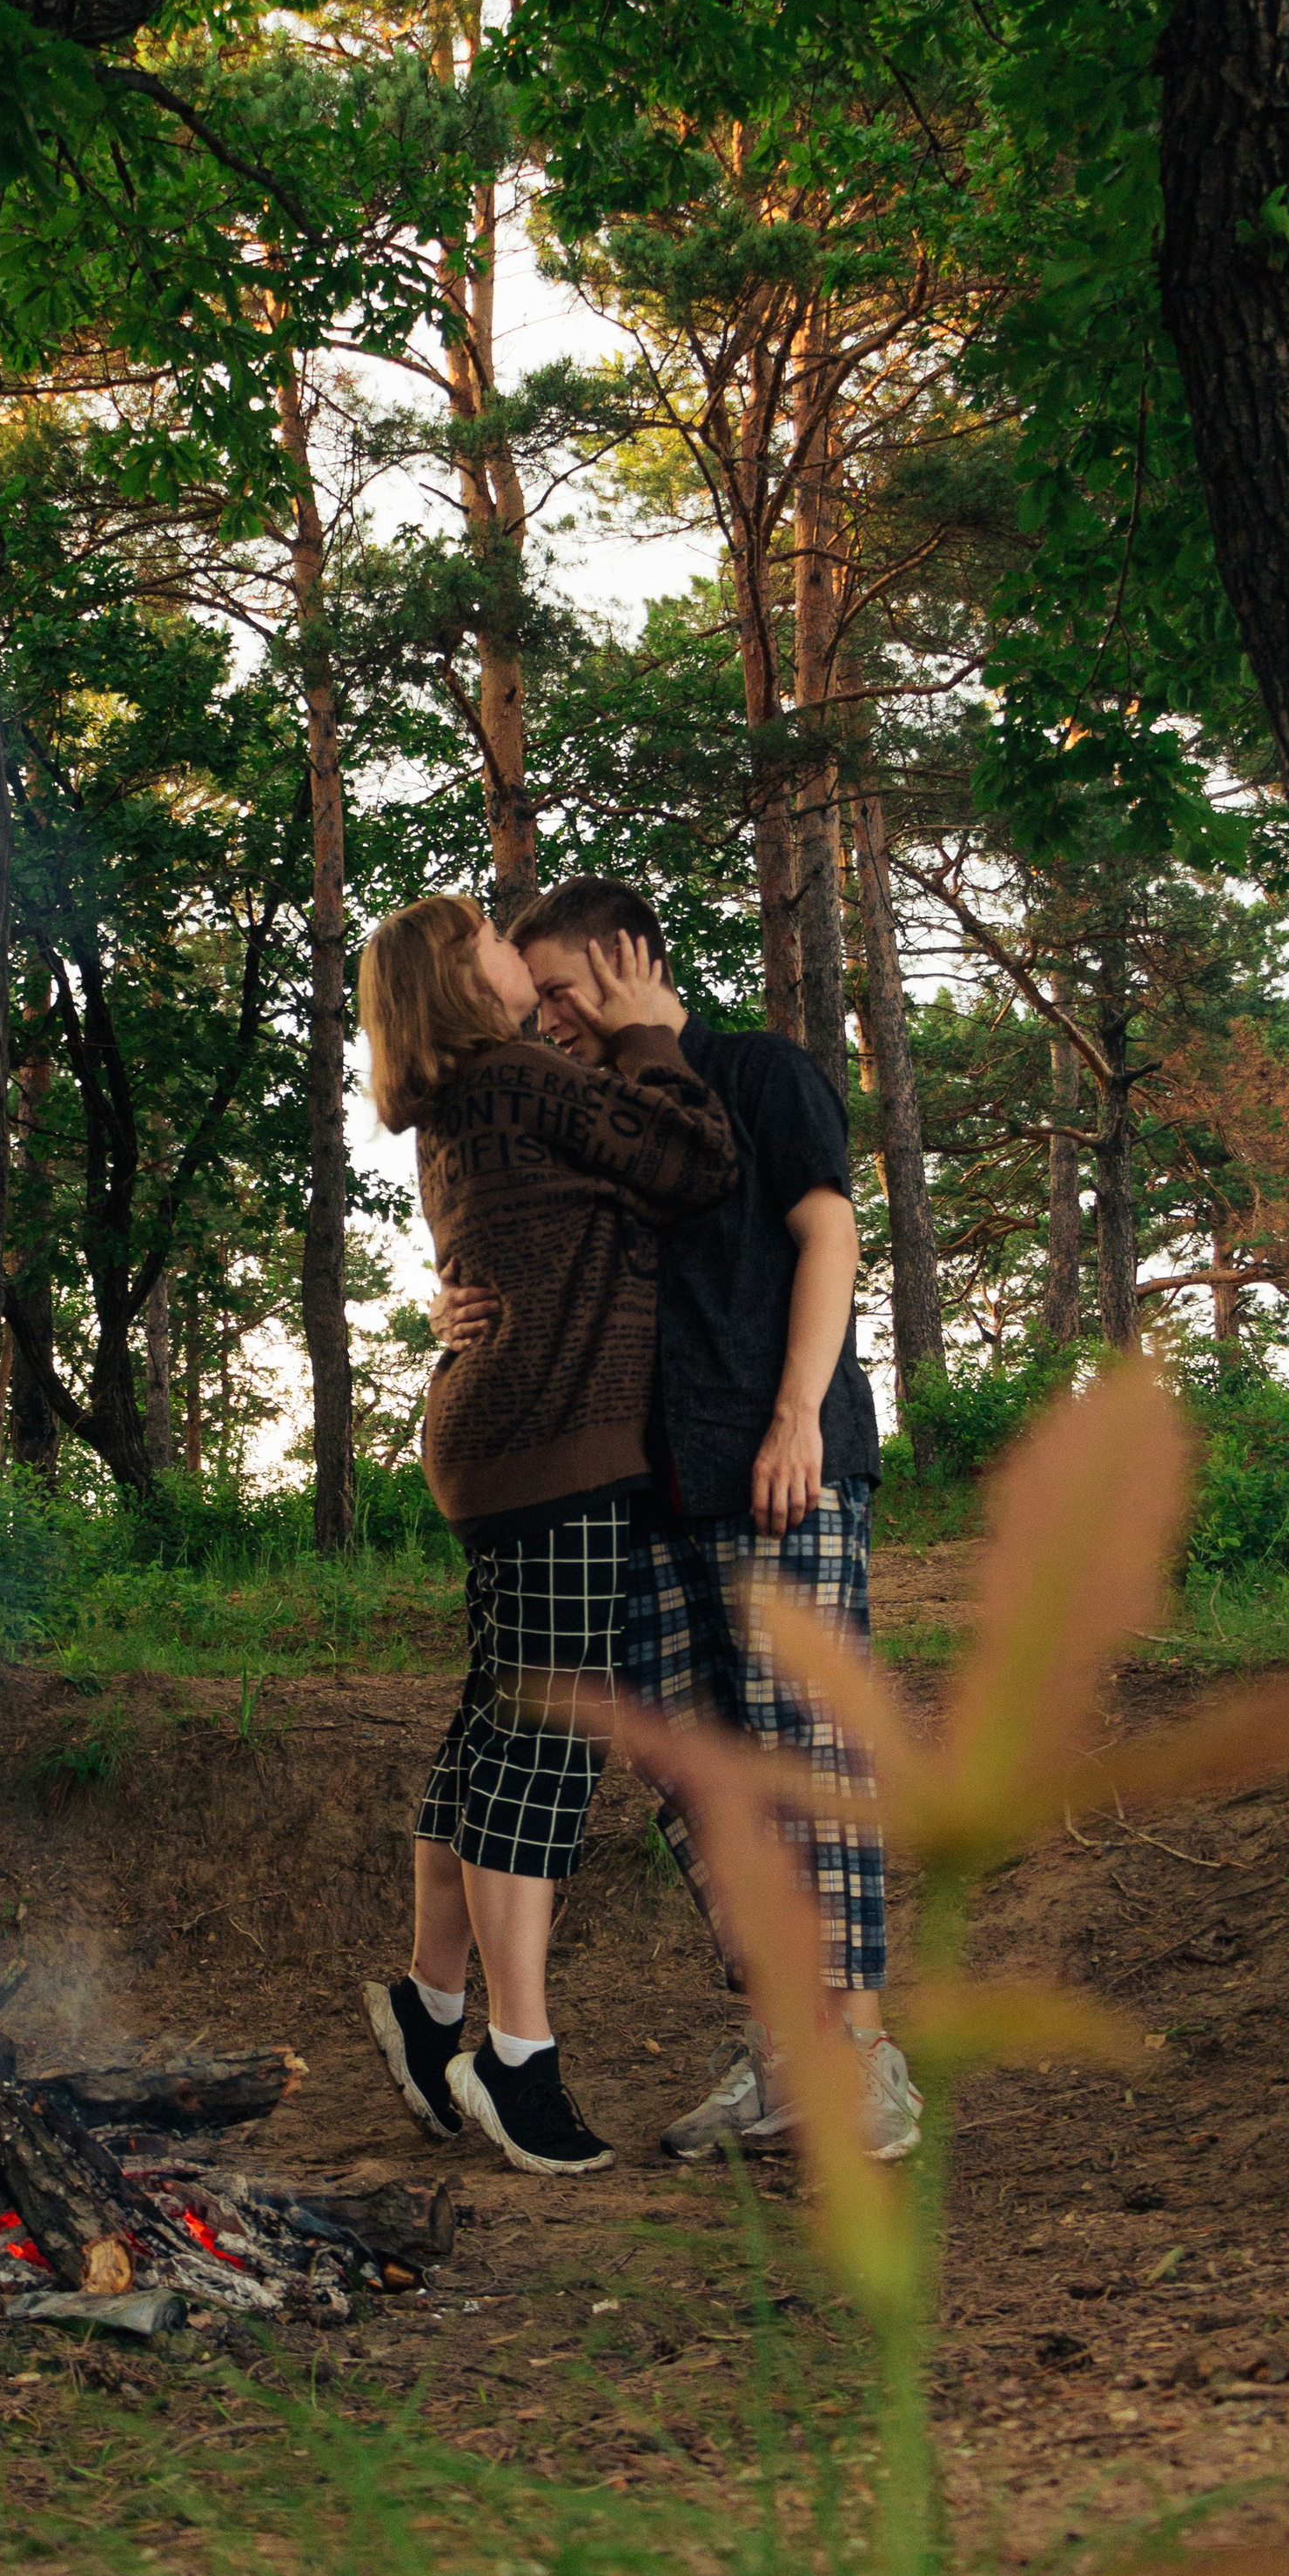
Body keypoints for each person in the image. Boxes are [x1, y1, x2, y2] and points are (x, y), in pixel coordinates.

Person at [433, 875, 922, 2163]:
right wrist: (463, 1312)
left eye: (558, 996)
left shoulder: (762, 1071)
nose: (548, 1024)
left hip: (781, 1464)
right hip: (646, 1493)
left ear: (625, 959)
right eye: (530, 1005)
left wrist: (798, 1413)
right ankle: (782, 2055)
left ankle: (862, 2058)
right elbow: (540, 1247)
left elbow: (830, 1236)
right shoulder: (605, 1111)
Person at [356, 893, 738, 2176]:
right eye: (491, 942)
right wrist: (648, 1034)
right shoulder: (523, 1078)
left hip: (493, 1436)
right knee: (548, 1742)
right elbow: (693, 1161)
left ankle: (432, 2002)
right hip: (554, 1445)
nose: (515, 954)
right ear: (463, 983)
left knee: (490, 1726)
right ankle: (516, 2061)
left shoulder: (465, 1104)